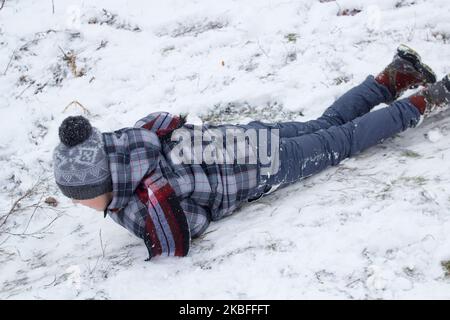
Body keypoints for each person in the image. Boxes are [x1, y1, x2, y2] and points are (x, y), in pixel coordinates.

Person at [52, 45, 450, 260]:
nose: (81, 204)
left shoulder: (146, 202)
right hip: (245, 137)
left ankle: (428, 100)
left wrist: (135, 216)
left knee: (340, 142)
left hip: (260, 166)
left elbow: (183, 233)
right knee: (325, 125)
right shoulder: (129, 140)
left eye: (81, 196)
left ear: (99, 185)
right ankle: (394, 75)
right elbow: (164, 119)